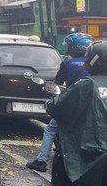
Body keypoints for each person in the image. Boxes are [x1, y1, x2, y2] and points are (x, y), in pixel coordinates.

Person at [36, 40, 107, 186]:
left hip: (92, 149)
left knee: (62, 166)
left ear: (94, 61)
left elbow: (57, 107)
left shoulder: (87, 85)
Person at [26, 33, 94, 172]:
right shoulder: (94, 64)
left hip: (71, 105)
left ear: (74, 48)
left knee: (50, 129)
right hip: (92, 106)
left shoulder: (67, 63)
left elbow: (57, 84)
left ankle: (41, 160)